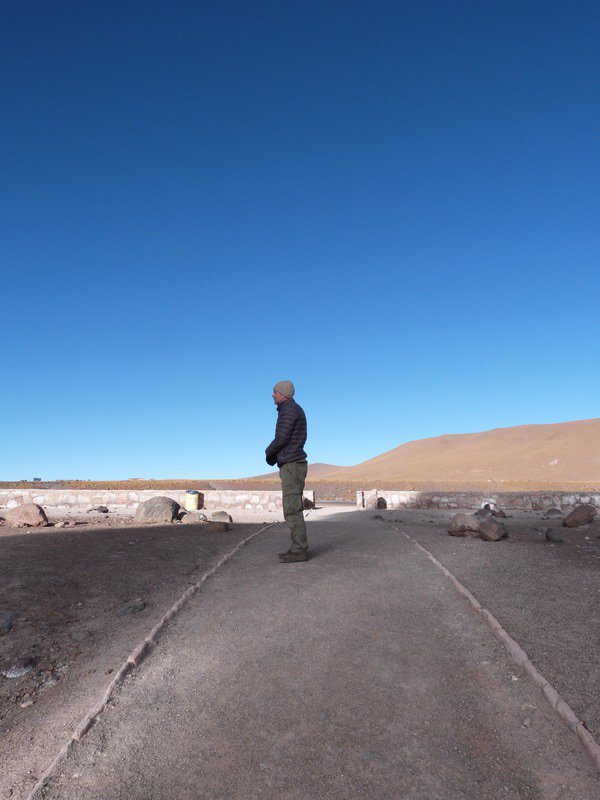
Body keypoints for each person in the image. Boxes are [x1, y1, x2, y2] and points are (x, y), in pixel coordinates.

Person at [265, 380, 309, 563]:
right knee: (293, 507)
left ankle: (299, 550)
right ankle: (297, 548)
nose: (272, 395)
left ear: (283, 394)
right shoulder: (291, 409)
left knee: (292, 509)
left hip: (292, 464)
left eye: (275, 391)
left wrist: (269, 453)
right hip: (293, 462)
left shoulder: (289, 410)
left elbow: (282, 437)